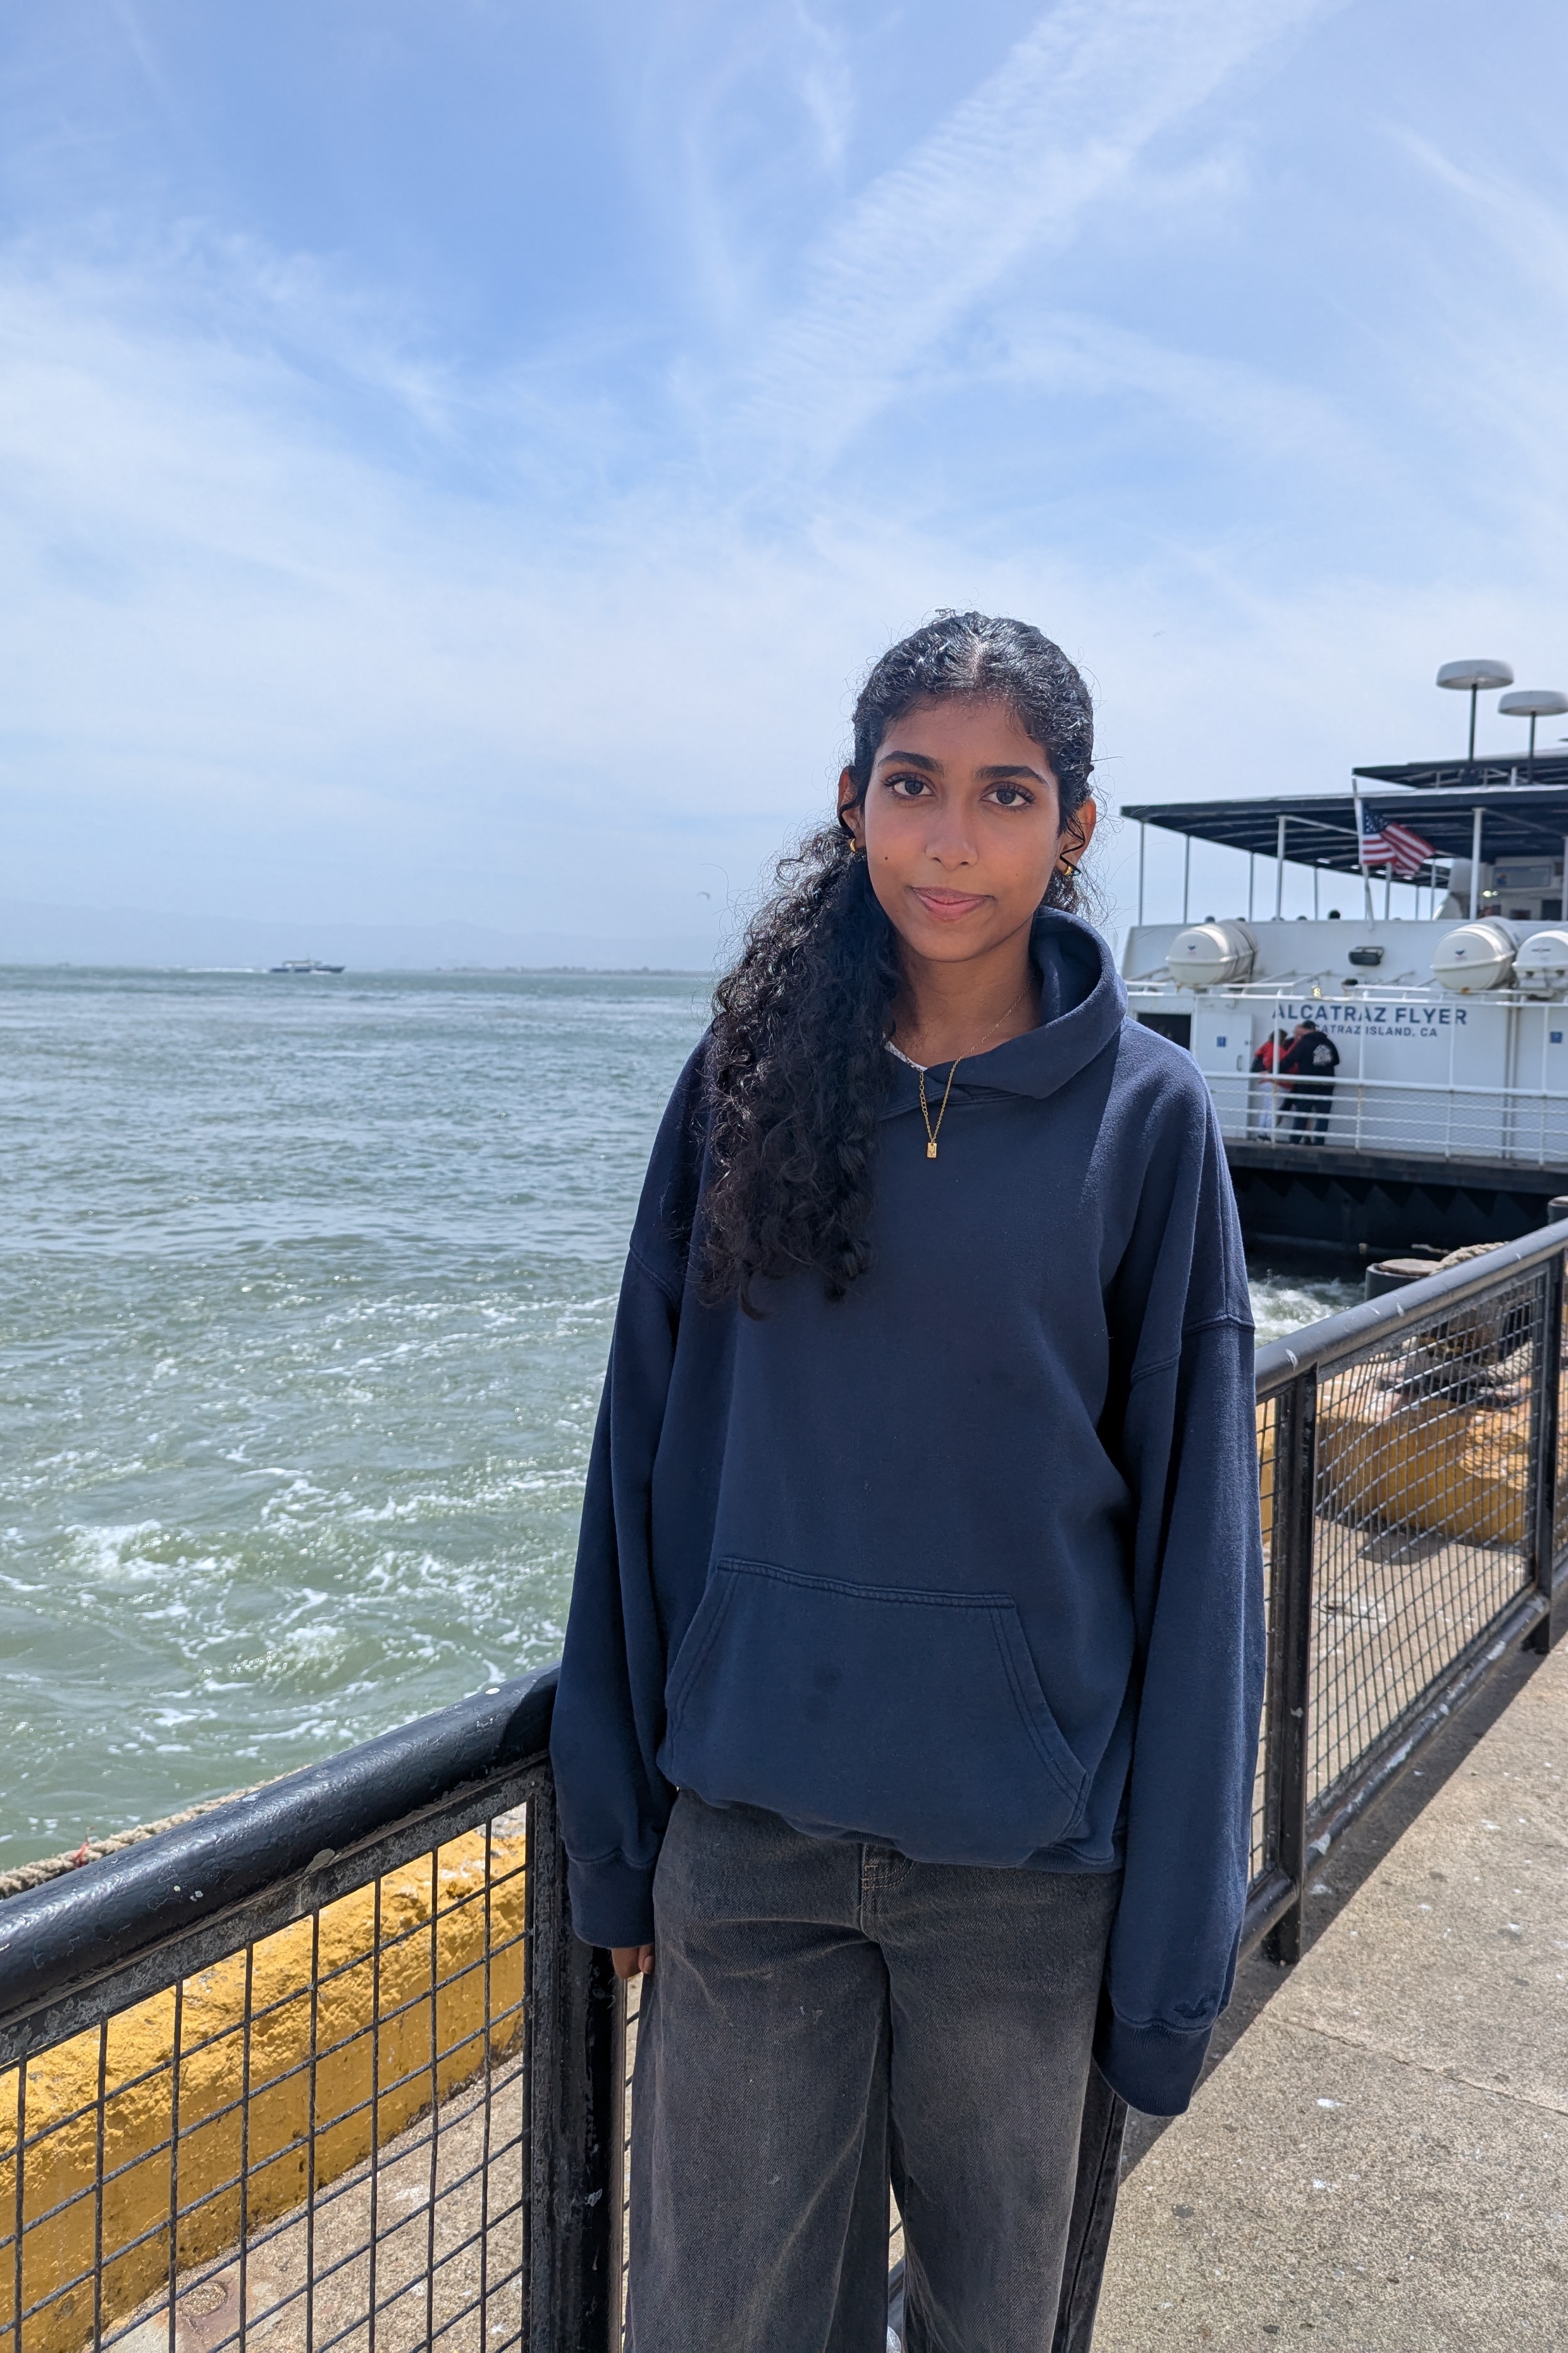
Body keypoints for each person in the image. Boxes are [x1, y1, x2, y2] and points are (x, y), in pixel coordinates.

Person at [548, 613, 1264, 2353]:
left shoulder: (1149, 1120)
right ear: (850, 803)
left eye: (1004, 794)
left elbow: (1199, 1554)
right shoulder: (737, 1085)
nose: (951, 841)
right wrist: (616, 1840)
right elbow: (639, 1454)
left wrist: (1171, 1966)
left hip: (1032, 1884)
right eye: (913, 785)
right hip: (747, 1849)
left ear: (1072, 826)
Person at [1278, 1016, 1340, 1145]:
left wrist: (1273, 1071)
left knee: (1302, 1113)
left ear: (1305, 1030)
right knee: (1323, 1116)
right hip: (1326, 1084)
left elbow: (1290, 1060)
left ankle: (1295, 1141)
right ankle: (1319, 1143)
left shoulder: (1304, 1043)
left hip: (1306, 1085)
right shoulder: (1328, 1043)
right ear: (1315, 1029)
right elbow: (1336, 1061)